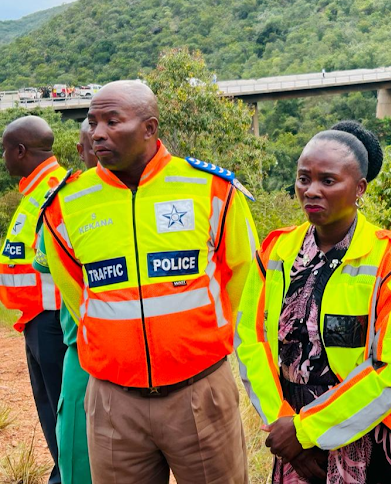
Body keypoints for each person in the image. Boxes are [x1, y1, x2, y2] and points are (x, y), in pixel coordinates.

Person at [40, 80, 258, 484]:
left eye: (112, 121)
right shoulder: (65, 205)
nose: (97, 132)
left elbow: (243, 275)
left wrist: (204, 341)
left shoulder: (211, 189)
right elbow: (75, 291)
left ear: (150, 128)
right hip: (113, 402)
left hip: (199, 393)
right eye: (92, 122)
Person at [236, 121, 391, 483]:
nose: (311, 191)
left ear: (359, 188)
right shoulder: (276, 251)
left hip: (378, 436)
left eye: (328, 181)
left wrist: (307, 430)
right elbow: (251, 340)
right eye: (304, 178)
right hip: (292, 433)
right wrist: (284, 425)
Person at [1, 115, 67, 484]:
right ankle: (63, 471)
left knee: (61, 408)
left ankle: (69, 475)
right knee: (47, 406)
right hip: (35, 317)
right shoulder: (33, 192)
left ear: (21, 151)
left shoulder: (55, 191)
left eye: (5, 150)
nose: (4, 158)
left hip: (54, 318)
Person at [33, 120, 97, 484]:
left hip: (150, 360)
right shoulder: (64, 204)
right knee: (78, 457)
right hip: (84, 351)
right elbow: (45, 264)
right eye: (93, 139)